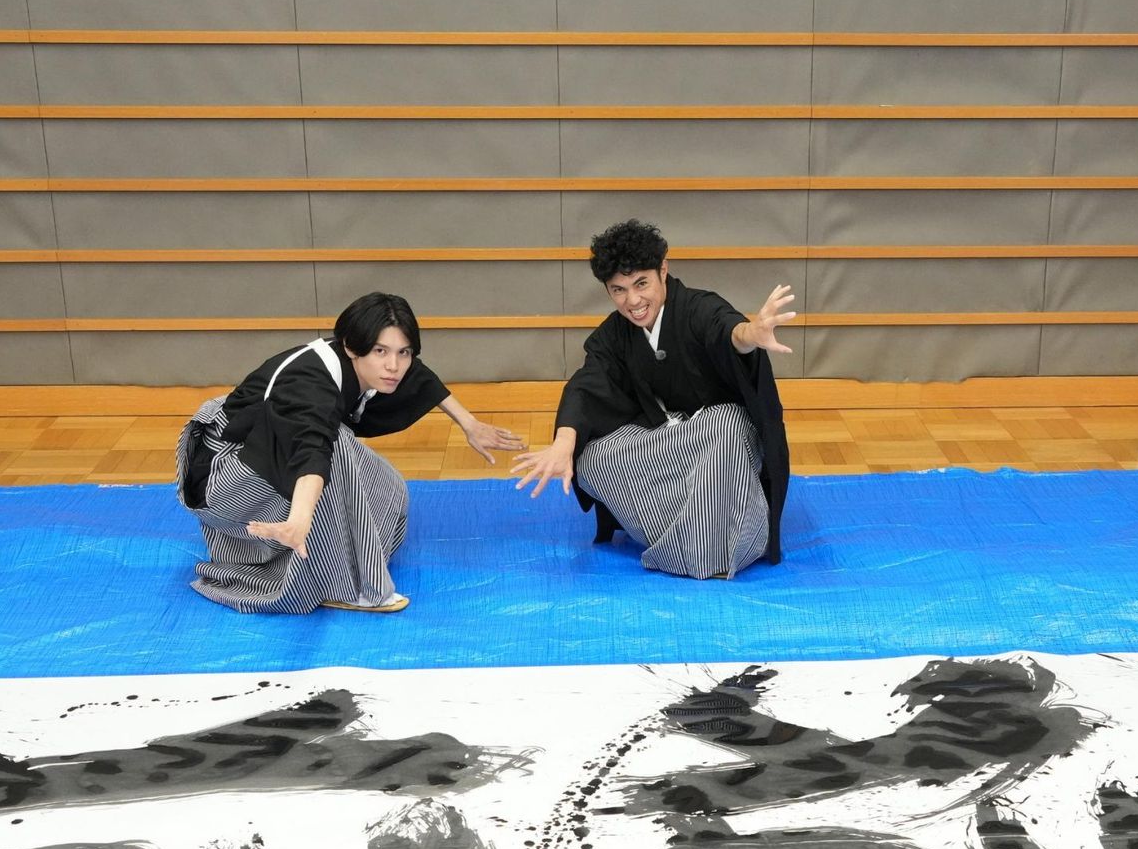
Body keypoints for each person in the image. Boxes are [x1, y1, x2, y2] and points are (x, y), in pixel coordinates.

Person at [175, 292, 523, 613]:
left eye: (403, 352)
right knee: (336, 448)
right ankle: (349, 585)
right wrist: (299, 521)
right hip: (225, 477)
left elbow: (420, 377)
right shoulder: (311, 384)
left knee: (388, 485)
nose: (394, 366)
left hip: (267, 452)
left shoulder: (365, 362)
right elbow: (311, 450)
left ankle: (341, 555)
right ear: (352, 347)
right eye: (381, 352)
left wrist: (469, 424)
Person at [511, 219, 794, 580]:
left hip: (717, 443)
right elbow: (587, 384)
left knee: (727, 424)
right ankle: (692, 537)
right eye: (619, 290)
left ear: (663, 269)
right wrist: (564, 442)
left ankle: (707, 548)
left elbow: (726, 329)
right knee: (592, 460)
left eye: (641, 283)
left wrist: (750, 334)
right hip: (666, 443)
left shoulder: (697, 308)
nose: (633, 301)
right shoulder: (613, 335)